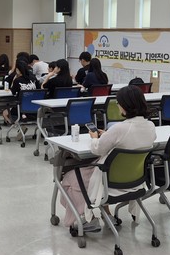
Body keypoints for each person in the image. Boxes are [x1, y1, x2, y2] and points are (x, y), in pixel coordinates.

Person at [58, 86, 156, 231]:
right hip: (134, 181)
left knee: (70, 178)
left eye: (118, 103)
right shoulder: (150, 126)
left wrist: (94, 137)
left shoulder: (119, 128)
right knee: (100, 174)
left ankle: (88, 218)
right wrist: (108, 135)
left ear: (125, 105)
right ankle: (106, 215)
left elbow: (97, 149)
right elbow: (130, 140)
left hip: (110, 182)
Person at [3, 60, 37, 124]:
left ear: (17, 69)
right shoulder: (34, 79)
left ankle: (13, 125)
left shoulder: (17, 80)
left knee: (4, 113)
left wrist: (14, 79)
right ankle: (23, 120)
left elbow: (13, 92)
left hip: (21, 108)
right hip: (34, 107)